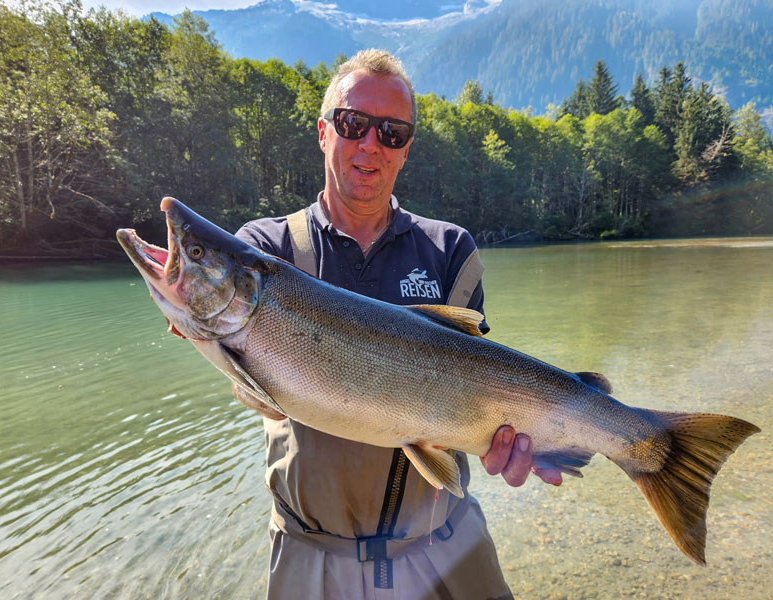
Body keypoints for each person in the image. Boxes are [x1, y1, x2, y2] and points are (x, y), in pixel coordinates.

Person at [234, 49, 562, 600]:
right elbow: (258, 392)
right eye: (353, 123)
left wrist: (511, 442)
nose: (370, 144)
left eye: (392, 132)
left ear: (406, 149)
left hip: (447, 548)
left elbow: (481, 393)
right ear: (323, 131)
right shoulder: (266, 253)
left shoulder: (450, 249)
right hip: (312, 558)